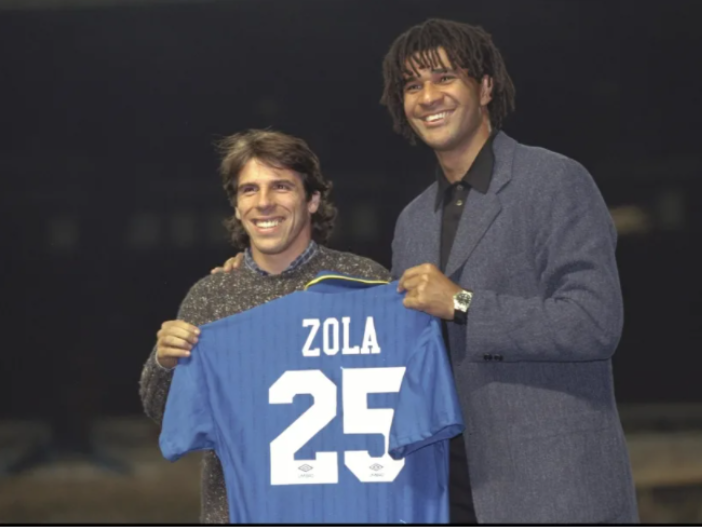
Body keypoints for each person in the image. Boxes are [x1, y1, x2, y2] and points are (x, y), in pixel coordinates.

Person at [214, 18, 638, 524]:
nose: (428, 96)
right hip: (441, 490)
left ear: (485, 88)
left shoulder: (555, 180)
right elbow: (384, 341)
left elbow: (593, 322)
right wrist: (258, 277)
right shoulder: (414, 220)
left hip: (552, 488)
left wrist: (461, 303)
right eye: (412, 85)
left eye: (444, 78)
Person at [138, 129, 391, 524]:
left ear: (313, 199)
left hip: (346, 510)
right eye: (249, 190)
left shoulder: (365, 282)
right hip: (239, 513)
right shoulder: (211, 297)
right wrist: (164, 361)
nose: (264, 202)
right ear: (237, 207)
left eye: (281, 186)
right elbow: (161, 411)